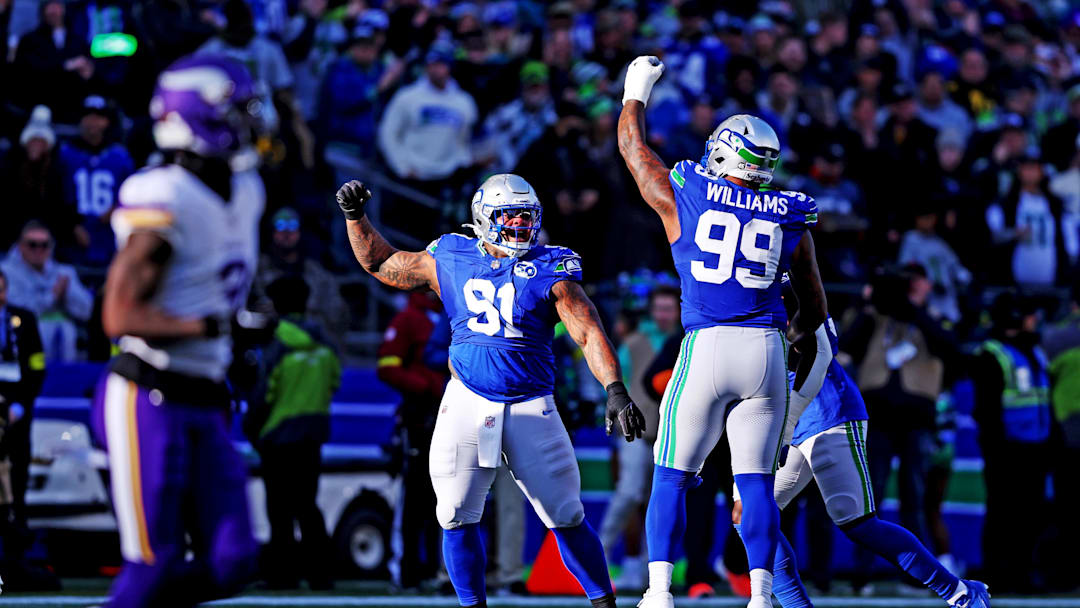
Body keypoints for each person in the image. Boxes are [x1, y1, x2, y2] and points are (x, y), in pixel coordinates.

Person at [334, 173, 646, 608]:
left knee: (566, 513)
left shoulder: (552, 265)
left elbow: (587, 329)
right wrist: (355, 218)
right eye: (509, 215)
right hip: (467, 397)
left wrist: (615, 388)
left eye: (527, 215)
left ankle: (604, 603)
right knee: (455, 513)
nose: (520, 223)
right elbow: (382, 264)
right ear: (483, 218)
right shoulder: (451, 253)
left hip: (530, 403)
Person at [617, 56, 828, 608]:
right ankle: (761, 594)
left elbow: (634, 154)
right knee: (755, 482)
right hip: (765, 348)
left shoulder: (689, 191)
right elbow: (811, 296)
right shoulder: (788, 211)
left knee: (671, 473)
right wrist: (802, 341)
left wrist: (635, 92)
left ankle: (659, 591)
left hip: (706, 344)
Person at [91, 55, 264, 607]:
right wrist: (212, 325)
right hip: (149, 392)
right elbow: (119, 318)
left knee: (234, 561)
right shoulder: (161, 194)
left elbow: (217, 280)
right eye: (236, 110)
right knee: (152, 562)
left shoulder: (247, 190)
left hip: (207, 394)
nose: (251, 121)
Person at [729, 304, 990, 608]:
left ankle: (959, 592)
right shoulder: (733, 299)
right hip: (784, 418)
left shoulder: (791, 291)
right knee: (748, 513)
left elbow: (819, 347)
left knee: (857, 522)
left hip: (825, 412)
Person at [244, 275, 340, 591]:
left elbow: (262, 395)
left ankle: (282, 575)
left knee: (280, 509)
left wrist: (252, 427)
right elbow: (333, 382)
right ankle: (321, 575)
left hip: (278, 437)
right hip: (313, 434)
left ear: (278, 305)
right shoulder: (325, 342)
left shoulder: (275, 344)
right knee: (308, 505)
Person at [599, 286, 680, 591]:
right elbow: (612, 381)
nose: (664, 314)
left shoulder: (688, 341)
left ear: (678, 311)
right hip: (634, 432)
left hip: (670, 435)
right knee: (629, 494)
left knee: (657, 504)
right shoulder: (633, 344)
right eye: (659, 308)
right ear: (651, 311)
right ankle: (600, 554)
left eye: (669, 308)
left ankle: (649, 575)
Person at [972, 292, 1053, 593]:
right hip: (1007, 450)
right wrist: (997, 450)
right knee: (1002, 513)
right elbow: (987, 411)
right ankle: (998, 575)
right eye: (1030, 314)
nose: (1035, 320)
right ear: (1016, 317)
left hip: (1036, 447)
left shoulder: (1034, 352)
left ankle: (1023, 573)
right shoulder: (991, 354)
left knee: (1031, 514)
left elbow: (1044, 401)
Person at [375, 290, 445, 590]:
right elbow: (387, 366)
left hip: (450, 416)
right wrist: (426, 385)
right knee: (415, 495)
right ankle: (407, 570)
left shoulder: (456, 313)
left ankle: (434, 568)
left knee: (446, 497)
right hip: (420, 418)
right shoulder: (408, 319)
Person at [0, 268, 49, 590]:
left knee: (16, 483)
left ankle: (15, 560)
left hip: (17, 415)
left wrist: (20, 405)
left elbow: (36, 367)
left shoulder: (24, 319)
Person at [253, 207, 347, 350]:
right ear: (272, 232)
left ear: (299, 232)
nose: (287, 233)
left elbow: (337, 316)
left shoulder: (318, 274)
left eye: (292, 226)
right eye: (280, 226)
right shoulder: (256, 271)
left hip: (310, 349)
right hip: (269, 350)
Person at [57, 95, 135, 268]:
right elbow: (56, 194)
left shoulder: (120, 156)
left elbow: (131, 192)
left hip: (110, 236)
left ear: (106, 122)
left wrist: (117, 207)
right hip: (74, 238)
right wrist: (72, 225)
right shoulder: (65, 154)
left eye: (98, 117)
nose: (93, 122)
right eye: (88, 116)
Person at [1, 221, 93, 361]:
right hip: (21, 340)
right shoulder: (6, 271)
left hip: (66, 341)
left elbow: (87, 311)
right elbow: (17, 310)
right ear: (20, 246)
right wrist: (53, 296)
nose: (38, 250)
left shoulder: (64, 272)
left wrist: (67, 294)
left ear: (51, 247)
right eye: (32, 244)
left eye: (44, 245)